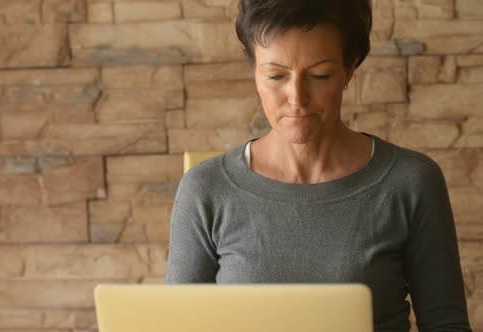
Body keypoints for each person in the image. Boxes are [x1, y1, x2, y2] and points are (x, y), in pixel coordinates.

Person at [165, 0, 472, 331]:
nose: (297, 98)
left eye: (319, 74)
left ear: (349, 69)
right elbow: (180, 325)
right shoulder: (206, 189)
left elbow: (446, 325)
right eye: (275, 75)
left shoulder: (411, 181)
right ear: (253, 70)